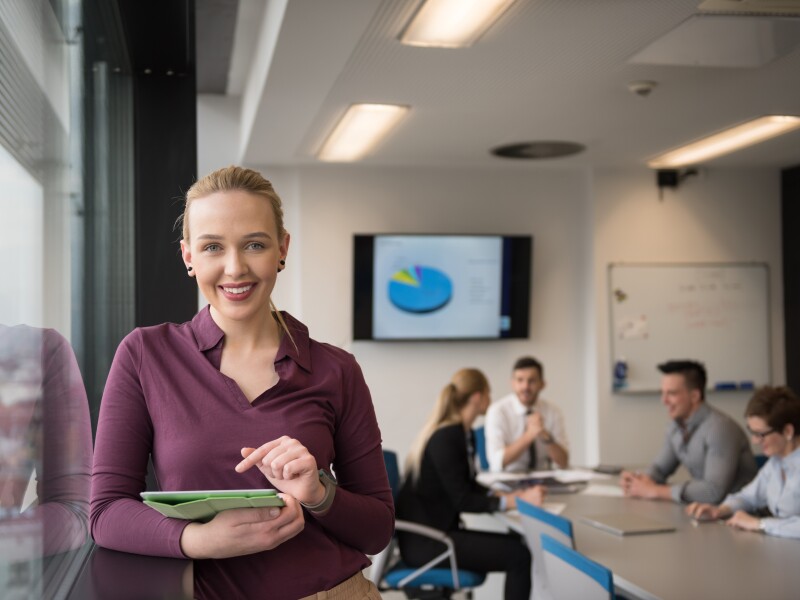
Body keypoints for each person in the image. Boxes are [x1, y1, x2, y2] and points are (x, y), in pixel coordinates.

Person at [90, 166, 393, 600]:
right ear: (188, 256)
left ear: (282, 250)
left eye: (255, 244)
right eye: (213, 246)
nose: (235, 268)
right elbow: (105, 513)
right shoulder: (145, 355)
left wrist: (318, 492)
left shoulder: (337, 369)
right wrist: (200, 541)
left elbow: (378, 530)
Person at [396, 368, 545, 600]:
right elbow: (462, 499)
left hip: (437, 534)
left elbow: (466, 483)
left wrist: (500, 493)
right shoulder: (447, 437)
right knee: (519, 555)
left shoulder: (461, 434)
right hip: (428, 543)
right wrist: (516, 500)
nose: (490, 399)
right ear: (477, 397)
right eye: (488, 393)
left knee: (517, 544)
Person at [620, 360, 757, 504]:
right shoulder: (676, 427)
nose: (664, 400)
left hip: (740, 516)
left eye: (671, 393)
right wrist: (638, 481)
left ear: (694, 396)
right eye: (663, 393)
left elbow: (713, 491)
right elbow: (659, 469)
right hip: (708, 513)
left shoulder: (720, 429)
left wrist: (654, 491)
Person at [686, 386, 800, 539]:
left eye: (761, 434)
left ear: (787, 431)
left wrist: (759, 524)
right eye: (752, 433)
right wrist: (720, 510)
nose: (754, 441)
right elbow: (747, 497)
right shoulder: (775, 463)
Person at [484, 356, 569, 472]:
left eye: (532, 381)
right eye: (520, 380)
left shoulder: (553, 411)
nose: (525, 387)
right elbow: (497, 462)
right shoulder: (498, 411)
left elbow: (563, 462)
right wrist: (529, 435)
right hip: (509, 479)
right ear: (512, 383)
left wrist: (546, 437)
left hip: (544, 479)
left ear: (542, 384)